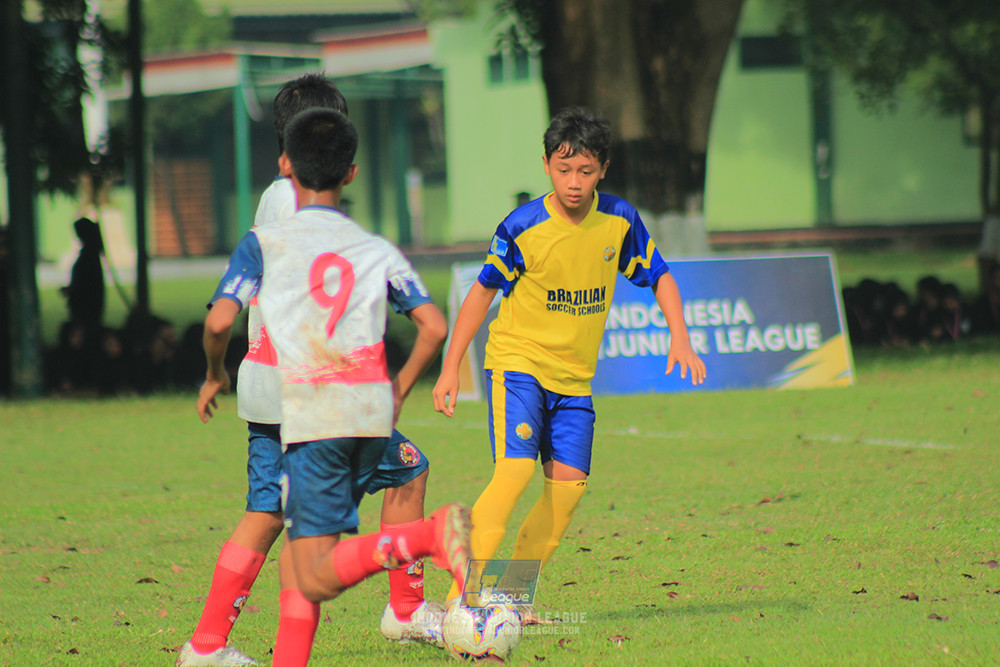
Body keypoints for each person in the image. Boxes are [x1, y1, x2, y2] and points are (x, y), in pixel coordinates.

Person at [177, 75, 448, 667]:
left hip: (265, 387)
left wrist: (215, 371)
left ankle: (206, 646)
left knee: (267, 513)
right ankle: (405, 609)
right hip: (322, 395)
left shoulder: (272, 200)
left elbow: (230, 312)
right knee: (406, 474)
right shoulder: (311, 212)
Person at [432, 106, 707, 619]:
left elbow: (660, 274)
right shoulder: (523, 226)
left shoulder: (619, 220)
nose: (574, 182)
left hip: (574, 382)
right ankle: (460, 602)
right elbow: (480, 294)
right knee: (513, 474)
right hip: (517, 366)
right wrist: (452, 367)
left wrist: (681, 338)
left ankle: (510, 597)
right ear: (546, 166)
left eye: (585, 170)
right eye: (564, 169)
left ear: (603, 168)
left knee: (568, 494)